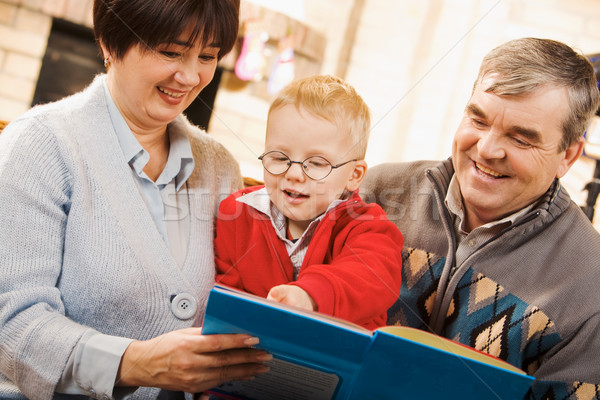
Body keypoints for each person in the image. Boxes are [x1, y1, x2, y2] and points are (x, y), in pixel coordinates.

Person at [0, 0, 273, 399]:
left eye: (208, 56)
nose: (191, 75)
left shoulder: (219, 168)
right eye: (170, 52)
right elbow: (13, 323)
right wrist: (136, 362)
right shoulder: (41, 143)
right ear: (111, 43)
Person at [361, 37, 600, 399]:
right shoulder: (376, 191)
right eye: (478, 119)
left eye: (521, 139)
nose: (487, 150)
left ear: (568, 156)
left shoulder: (591, 288)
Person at [214, 75, 403, 330]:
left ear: (354, 175)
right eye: (279, 158)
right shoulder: (237, 214)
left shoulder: (367, 226)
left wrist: (309, 296)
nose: (293, 174)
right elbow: (225, 297)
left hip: (335, 358)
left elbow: (372, 277)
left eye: (316, 163)